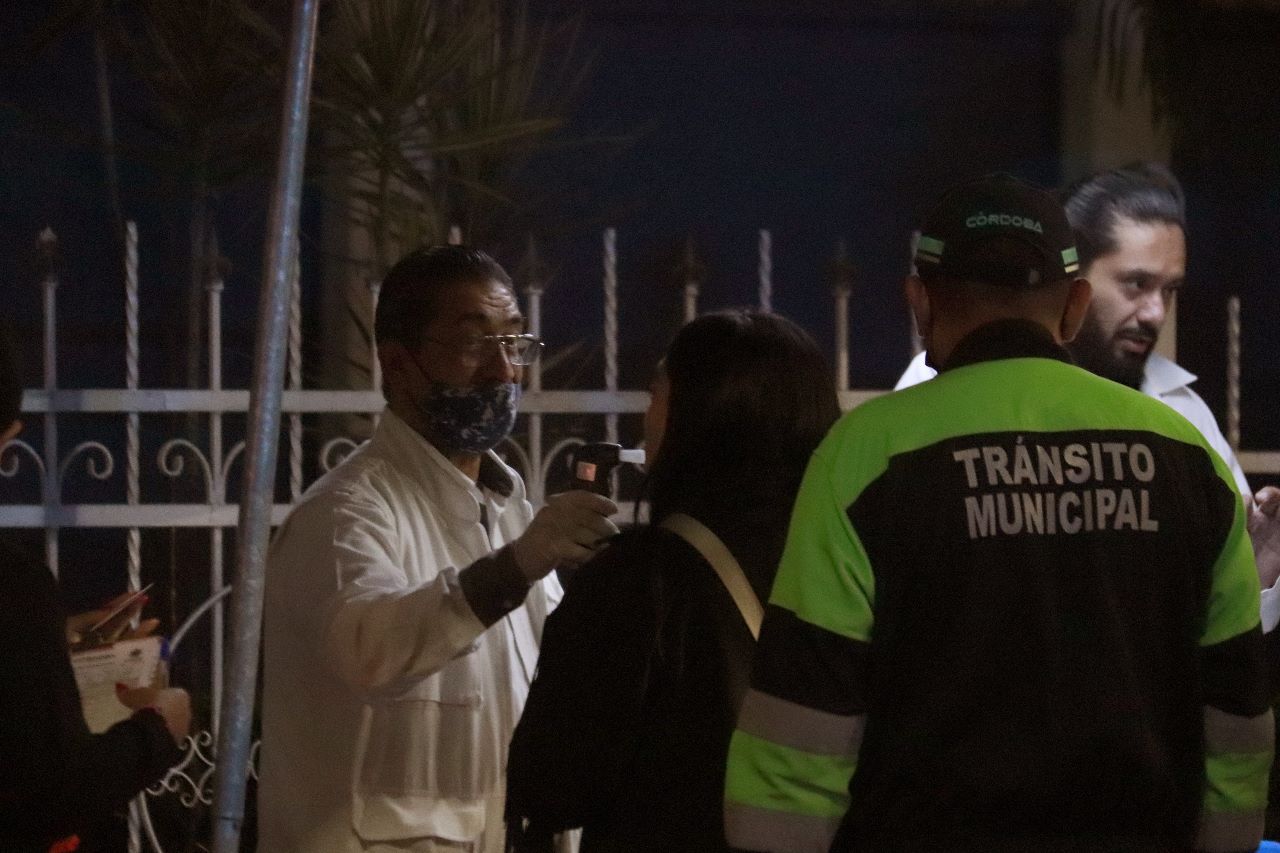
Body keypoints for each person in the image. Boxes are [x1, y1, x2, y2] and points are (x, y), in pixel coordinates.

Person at [725, 175, 1273, 852]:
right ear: (1075, 307)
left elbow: (800, 723)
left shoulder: (866, 455)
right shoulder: (1186, 455)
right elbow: (1237, 706)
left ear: (920, 301)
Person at [258, 246, 619, 853]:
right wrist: (514, 568)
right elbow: (371, 647)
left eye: (513, 342)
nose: (503, 372)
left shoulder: (508, 510)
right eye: (473, 344)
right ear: (397, 364)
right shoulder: (343, 514)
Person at [505, 309, 840, 852]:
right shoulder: (848, 567)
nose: (647, 415)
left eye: (657, 393)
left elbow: (552, 784)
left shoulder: (642, 580)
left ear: (702, 416)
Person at [896, 163, 1280, 596]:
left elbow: (1222, 611)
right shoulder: (934, 387)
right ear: (1074, 284)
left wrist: (1254, 573)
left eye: (1169, 290)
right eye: (1136, 283)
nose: (1156, 313)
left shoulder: (1184, 414)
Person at [0, 322, 190, 852]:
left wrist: (50, 646)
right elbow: (53, 791)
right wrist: (159, 727)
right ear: (9, 437)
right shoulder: (16, 586)